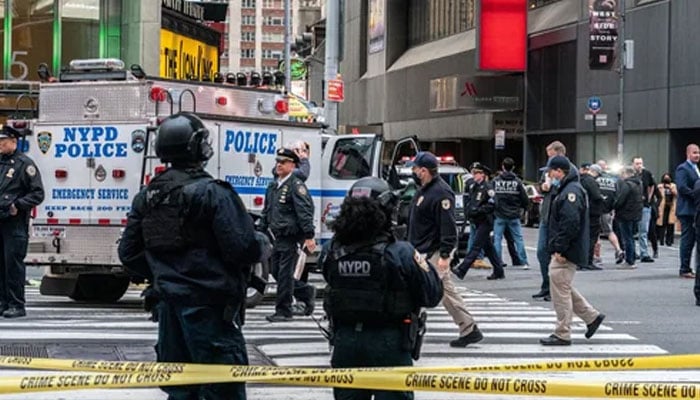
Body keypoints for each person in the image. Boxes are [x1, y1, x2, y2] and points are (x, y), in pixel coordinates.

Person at [118, 112, 262, 400]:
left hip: (168, 308)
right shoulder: (213, 193)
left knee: (181, 391)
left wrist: (164, 272)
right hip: (211, 308)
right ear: (197, 147)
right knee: (223, 389)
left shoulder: (148, 196)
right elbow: (242, 248)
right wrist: (261, 243)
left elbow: (128, 252)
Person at [322, 177, 443, 400]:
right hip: (389, 342)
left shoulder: (332, 250)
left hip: (345, 341)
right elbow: (432, 294)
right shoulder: (400, 252)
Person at [407, 152, 484, 348]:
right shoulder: (424, 190)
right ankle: (468, 327)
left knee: (441, 291)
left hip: (433, 252)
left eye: (415, 169)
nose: (413, 172)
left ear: (424, 171)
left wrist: (445, 254)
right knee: (437, 291)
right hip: (421, 251)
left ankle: (468, 328)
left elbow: (448, 226)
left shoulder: (441, 193)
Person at [539, 155, 605, 346]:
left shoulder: (571, 191)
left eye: (551, 172)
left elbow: (570, 223)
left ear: (559, 171)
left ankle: (562, 333)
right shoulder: (568, 188)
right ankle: (591, 317)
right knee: (561, 286)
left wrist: (559, 248)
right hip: (568, 247)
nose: (549, 176)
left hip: (567, 249)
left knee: (560, 290)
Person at [261, 147, 317, 322]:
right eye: (278, 161)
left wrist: (309, 235)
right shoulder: (273, 185)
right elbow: (267, 210)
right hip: (277, 235)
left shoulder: (295, 185)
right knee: (276, 271)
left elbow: (305, 210)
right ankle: (305, 292)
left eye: (283, 162)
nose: (279, 165)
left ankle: (284, 310)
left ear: (293, 165)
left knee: (285, 273)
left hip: (291, 236)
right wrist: (261, 229)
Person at [0, 126, 44, 318]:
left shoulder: (24, 164)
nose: (0, 145)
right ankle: (2, 302)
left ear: (14, 142)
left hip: (14, 222)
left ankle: (16, 304)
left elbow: (37, 194)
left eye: (3, 141)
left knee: (13, 264)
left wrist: (18, 205)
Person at [453, 162, 505, 280]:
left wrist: (479, 210)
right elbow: (470, 202)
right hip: (477, 220)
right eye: (473, 173)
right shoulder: (474, 187)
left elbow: (493, 204)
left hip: (485, 220)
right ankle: (499, 271)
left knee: (476, 246)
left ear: (482, 175)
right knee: (488, 248)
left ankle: (462, 269)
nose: (474, 175)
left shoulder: (488, 187)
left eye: (477, 173)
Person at [533, 141, 569, 302]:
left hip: (557, 216)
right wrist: (544, 186)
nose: (549, 160)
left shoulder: (568, 170)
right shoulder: (548, 169)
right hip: (546, 214)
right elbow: (541, 186)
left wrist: (554, 186)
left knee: (556, 254)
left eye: (551, 156)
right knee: (542, 251)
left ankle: (554, 288)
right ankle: (546, 285)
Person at [492, 157, 529, 269]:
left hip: (499, 214)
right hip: (514, 215)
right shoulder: (517, 182)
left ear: (503, 167)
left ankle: (497, 261)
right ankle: (524, 261)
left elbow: (490, 196)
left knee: (497, 239)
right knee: (518, 239)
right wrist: (522, 209)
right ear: (513, 167)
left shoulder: (496, 181)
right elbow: (524, 199)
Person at [674, 144, 700, 279]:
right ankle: (684, 268)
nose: (697, 155)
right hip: (687, 210)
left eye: (698, 153)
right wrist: (696, 195)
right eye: (694, 153)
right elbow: (682, 187)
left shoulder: (695, 168)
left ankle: (689, 267)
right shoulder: (683, 168)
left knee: (693, 240)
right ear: (688, 154)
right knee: (688, 240)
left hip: (694, 210)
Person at [595, 161, 625, 265]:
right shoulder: (612, 180)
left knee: (595, 234)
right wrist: (613, 209)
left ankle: (597, 256)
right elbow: (617, 195)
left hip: (596, 209)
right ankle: (618, 250)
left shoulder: (595, 179)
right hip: (607, 210)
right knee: (609, 231)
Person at [613, 166, 643, 269]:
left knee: (627, 238)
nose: (621, 176)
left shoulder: (627, 184)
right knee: (631, 237)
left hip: (625, 214)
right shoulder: (639, 184)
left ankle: (629, 261)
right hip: (635, 214)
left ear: (626, 173)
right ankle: (632, 258)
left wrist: (614, 206)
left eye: (622, 173)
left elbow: (621, 199)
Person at [579, 163, 605, 270]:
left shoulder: (580, 180)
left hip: (582, 211)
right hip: (593, 212)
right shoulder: (591, 181)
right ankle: (588, 261)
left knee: (583, 237)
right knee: (592, 237)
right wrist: (602, 199)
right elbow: (596, 196)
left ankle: (581, 261)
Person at [632, 157, 656, 263]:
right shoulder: (630, 174)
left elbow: (652, 185)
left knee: (643, 230)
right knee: (632, 230)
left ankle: (644, 253)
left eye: (640, 163)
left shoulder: (647, 174)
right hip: (632, 206)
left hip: (644, 205)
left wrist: (649, 198)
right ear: (633, 164)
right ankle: (632, 252)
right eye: (637, 163)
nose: (639, 165)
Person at [656, 173, 677, 247]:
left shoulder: (673, 186)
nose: (667, 179)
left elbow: (676, 194)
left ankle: (669, 240)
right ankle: (661, 240)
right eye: (665, 178)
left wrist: (670, 188)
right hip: (662, 207)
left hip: (671, 207)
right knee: (662, 224)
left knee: (670, 224)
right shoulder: (660, 186)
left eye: (668, 178)